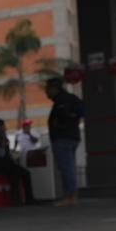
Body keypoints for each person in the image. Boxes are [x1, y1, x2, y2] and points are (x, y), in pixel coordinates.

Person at [46, 77, 84, 205]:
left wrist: (62, 123)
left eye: (48, 89)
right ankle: (71, 195)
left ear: (54, 88)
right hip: (73, 136)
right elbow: (81, 111)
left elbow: (63, 115)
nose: (46, 93)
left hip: (62, 138)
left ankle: (70, 196)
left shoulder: (61, 101)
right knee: (70, 167)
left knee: (66, 168)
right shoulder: (72, 98)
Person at [0, 118, 35, 205]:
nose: (5, 128)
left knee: (26, 173)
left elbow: (8, 153)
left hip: (8, 164)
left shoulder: (4, 137)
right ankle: (15, 200)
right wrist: (3, 143)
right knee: (15, 173)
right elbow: (1, 154)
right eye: (3, 126)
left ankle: (29, 199)